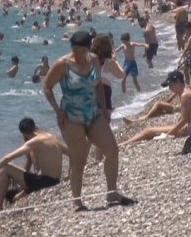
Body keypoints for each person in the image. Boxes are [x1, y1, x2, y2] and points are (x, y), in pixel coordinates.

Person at [42, 31, 134, 211]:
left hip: (94, 113)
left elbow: (98, 84)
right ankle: (77, 201)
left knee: (112, 150)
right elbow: (47, 87)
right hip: (71, 117)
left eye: (81, 51)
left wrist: (103, 109)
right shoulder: (63, 64)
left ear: (88, 48)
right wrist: (57, 111)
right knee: (79, 161)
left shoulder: (93, 59)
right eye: (75, 50)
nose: (78, 54)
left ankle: (112, 192)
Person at [0, 118, 69, 214]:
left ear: (23, 133)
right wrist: (68, 175)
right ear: (35, 126)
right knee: (4, 190)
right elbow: (71, 154)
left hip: (45, 182)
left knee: (6, 168)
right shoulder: (52, 137)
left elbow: (8, 158)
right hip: (52, 180)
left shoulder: (34, 142)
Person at [120, 71, 191, 147]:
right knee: (151, 132)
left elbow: (183, 120)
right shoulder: (186, 91)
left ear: (178, 81)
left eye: (171, 85)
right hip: (190, 127)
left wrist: (167, 135)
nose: (169, 88)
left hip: (188, 130)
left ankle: (123, 144)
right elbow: (188, 115)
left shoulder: (184, 96)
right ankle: (129, 141)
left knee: (147, 131)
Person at [179, 21, 191, 87]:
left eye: (186, 29)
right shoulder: (188, 37)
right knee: (185, 71)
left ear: (190, 29)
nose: (185, 31)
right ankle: (188, 85)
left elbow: (188, 47)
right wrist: (184, 39)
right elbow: (183, 46)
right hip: (188, 55)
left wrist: (182, 56)